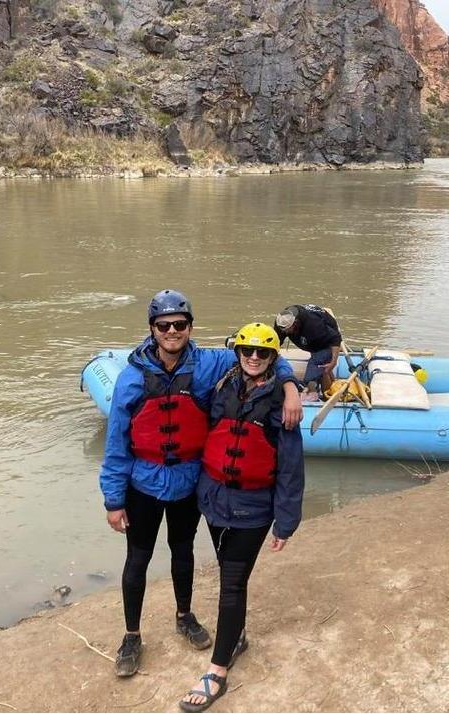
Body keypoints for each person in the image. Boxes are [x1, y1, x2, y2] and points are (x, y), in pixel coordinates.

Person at [100, 290, 303, 678]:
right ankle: (131, 635)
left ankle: (184, 615)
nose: (172, 331)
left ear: (190, 327)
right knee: (137, 559)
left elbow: (258, 354)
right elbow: (116, 444)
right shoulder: (131, 377)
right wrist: (113, 499)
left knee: (183, 550)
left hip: (189, 482)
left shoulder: (211, 362)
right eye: (164, 325)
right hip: (142, 482)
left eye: (180, 324)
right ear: (152, 330)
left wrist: (290, 385)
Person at [179, 322, 305, 713]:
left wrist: (286, 522)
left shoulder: (281, 403)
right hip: (215, 501)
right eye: (247, 350)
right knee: (229, 573)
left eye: (262, 352)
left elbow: (290, 467)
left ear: (273, 358)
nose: (253, 357)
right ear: (237, 353)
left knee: (232, 583)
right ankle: (237, 637)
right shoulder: (223, 383)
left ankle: (217, 670)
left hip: (252, 509)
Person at [274, 303, 342, 394]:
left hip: (326, 341)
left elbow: (335, 338)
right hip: (310, 337)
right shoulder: (282, 321)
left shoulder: (314, 324)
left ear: (295, 323)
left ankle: (313, 392)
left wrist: (333, 362)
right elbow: (276, 343)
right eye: (282, 329)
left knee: (314, 368)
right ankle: (327, 381)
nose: (284, 332)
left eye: (287, 329)